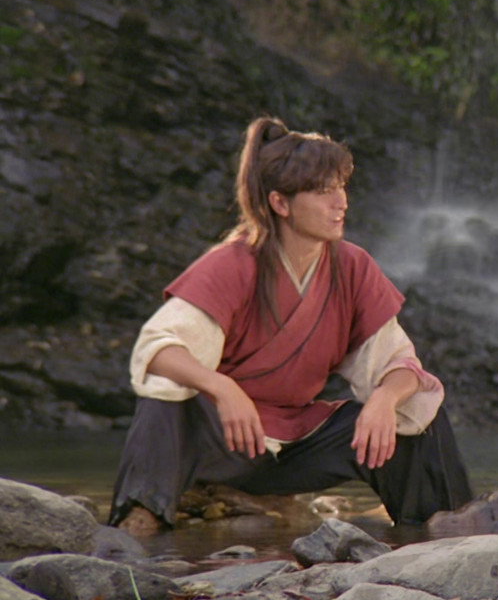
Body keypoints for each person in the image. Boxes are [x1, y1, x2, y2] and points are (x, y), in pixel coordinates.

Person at [109, 116, 472, 535]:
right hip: (225, 442)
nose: (341, 203)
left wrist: (385, 399)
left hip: (298, 446)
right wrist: (222, 388)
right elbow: (158, 350)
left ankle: (443, 529)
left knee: (418, 410)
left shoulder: (352, 266)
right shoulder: (233, 263)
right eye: (323, 191)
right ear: (280, 204)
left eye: (341, 187)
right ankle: (140, 522)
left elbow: (401, 365)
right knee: (166, 396)